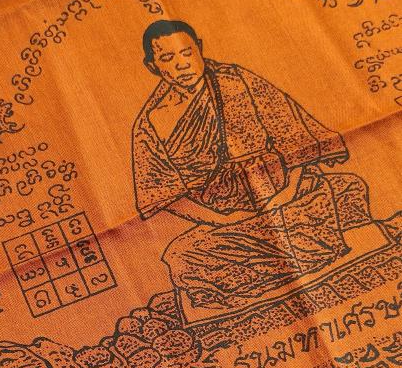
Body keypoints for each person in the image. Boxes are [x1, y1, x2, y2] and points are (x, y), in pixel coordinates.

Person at [132, 20, 363, 310]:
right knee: (181, 256)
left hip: (287, 196)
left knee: (331, 197)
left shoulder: (237, 81)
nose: (182, 63)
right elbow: (161, 193)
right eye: (167, 58)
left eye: (186, 52)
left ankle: (257, 272)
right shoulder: (152, 120)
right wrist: (223, 221)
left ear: (199, 49)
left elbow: (297, 137)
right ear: (152, 66)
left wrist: (284, 195)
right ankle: (282, 260)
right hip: (222, 221)